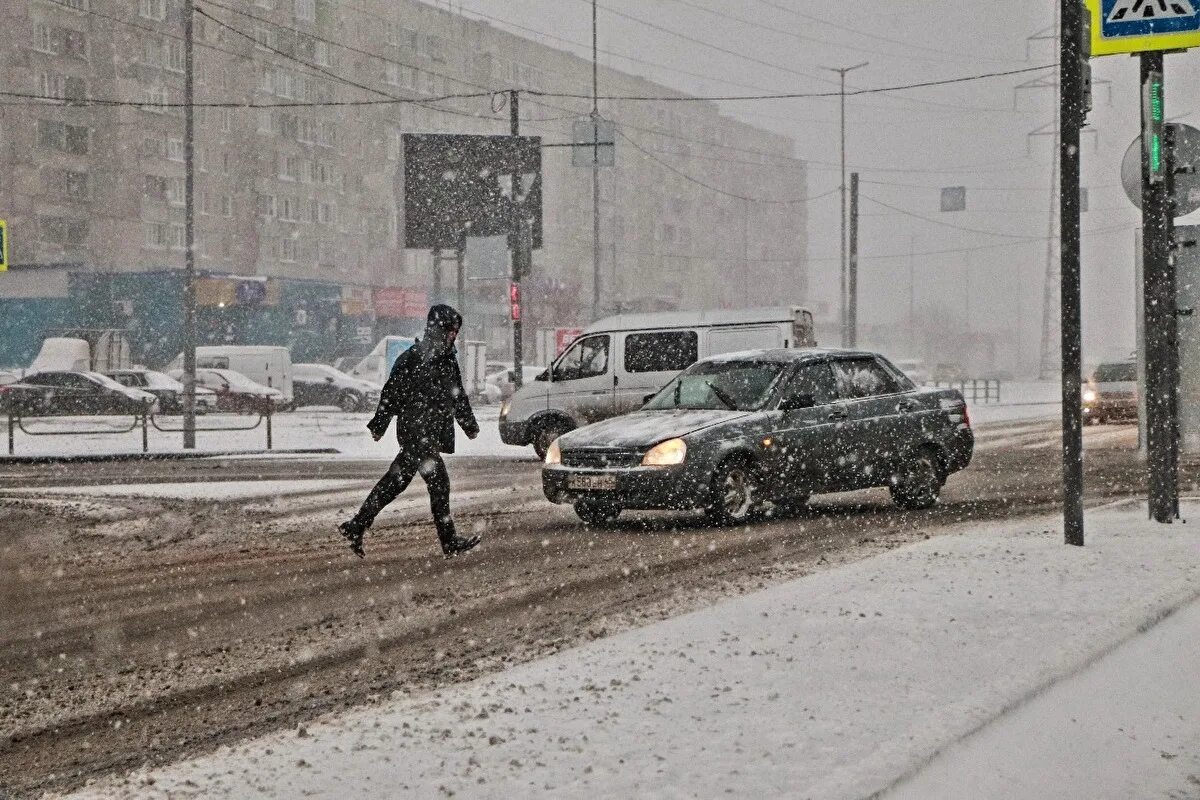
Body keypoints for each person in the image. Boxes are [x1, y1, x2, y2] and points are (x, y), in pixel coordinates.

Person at [339, 304, 481, 558]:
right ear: (439, 330)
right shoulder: (413, 358)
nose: (454, 337)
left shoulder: (447, 360)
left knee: (395, 482)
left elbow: (457, 396)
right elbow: (391, 393)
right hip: (416, 432)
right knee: (438, 484)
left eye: (456, 332)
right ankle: (449, 542)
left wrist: (468, 424)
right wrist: (379, 424)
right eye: (451, 331)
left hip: (428, 432)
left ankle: (357, 524)